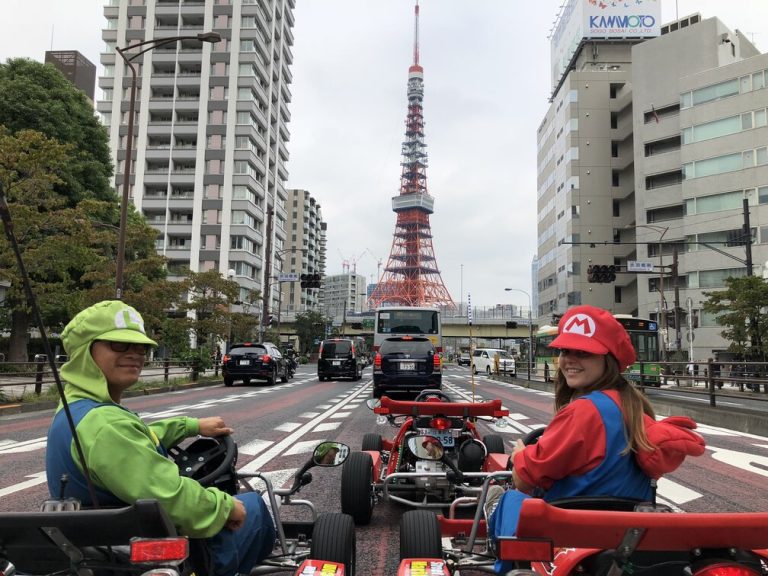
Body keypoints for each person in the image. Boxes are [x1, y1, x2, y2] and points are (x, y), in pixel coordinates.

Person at [45, 301, 276, 576]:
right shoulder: (105, 425)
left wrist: (191, 426)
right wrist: (224, 507)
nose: (135, 354)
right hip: (137, 555)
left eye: (141, 347)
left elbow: (138, 438)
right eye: (119, 345)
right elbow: (167, 495)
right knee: (253, 507)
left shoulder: (76, 410)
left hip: (97, 546)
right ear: (85, 351)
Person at [486, 305, 705, 573]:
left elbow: (525, 479)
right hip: (626, 536)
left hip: (569, 533)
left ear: (608, 359)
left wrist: (521, 456)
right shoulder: (636, 409)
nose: (569, 360)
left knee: (509, 499)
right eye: (565, 351)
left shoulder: (582, 412)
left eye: (584, 352)